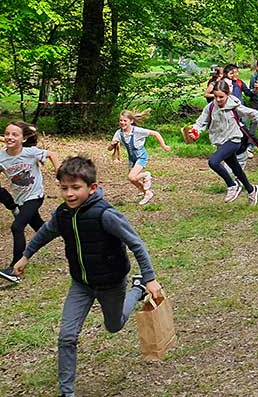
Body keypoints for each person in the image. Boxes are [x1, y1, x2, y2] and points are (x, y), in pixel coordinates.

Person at [11, 156, 163, 397]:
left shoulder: (105, 214)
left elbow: (136, 244)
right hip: (81, 285)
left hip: (111, 283)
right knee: (67, 337)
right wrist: (25, 256)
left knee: (114, 326)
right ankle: (67, 392)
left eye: (75, 188)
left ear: (92, 188)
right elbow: (44, 233)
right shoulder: (63, 214)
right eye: (64, 188)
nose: (69, 194)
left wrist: (150, 278)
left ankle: (137, 289)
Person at [0, 121, 59, 283]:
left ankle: (15, 269)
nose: (9, 137)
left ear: (24, 138)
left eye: (14, 134)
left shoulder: (30, 152)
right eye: (7, 134)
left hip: (35, 196)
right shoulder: (0, 158)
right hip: (20, 199)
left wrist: (59, 175)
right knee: (41, 229)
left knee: (17, 226)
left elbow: (52, 155)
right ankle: (70, 233)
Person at [188, 81, 258, 203]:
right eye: (215, 96)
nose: (218, 100)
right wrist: (195, 131)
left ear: (228, 94)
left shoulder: (235, 106)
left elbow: (255, 114)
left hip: (234, 140)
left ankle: (232, 185)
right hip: (220, 143)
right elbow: (200, 122)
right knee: (237, 169)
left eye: (221, 97)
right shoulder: (211, 107)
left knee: (213, 162)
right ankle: (252, 190)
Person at [109, 109, 171, 206]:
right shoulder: (119, 133)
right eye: (121, 120)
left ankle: (146, 175)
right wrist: (112, 145)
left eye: (125, 121)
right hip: (131, 158)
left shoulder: (137, 131)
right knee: (132, 179)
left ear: (131, 121)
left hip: (141, 156)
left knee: (131, 176)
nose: (122, 123)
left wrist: (164, 146)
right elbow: (109, 149)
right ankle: (147, 193)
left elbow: (155, 133)